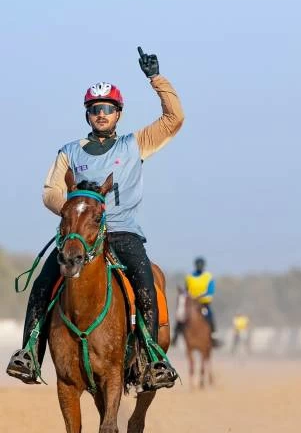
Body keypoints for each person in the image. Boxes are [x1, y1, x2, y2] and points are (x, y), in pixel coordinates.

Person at [6, 47, 183, 390]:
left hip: (122, 234)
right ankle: (29, 353)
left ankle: (151, 358)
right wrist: (78, 211)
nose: (101, 114)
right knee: (42, 284)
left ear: (118, 113)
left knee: (145, 282)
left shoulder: (136, 145)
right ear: (88, 114)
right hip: (79, 235)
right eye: (95, 109)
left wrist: (156, 80)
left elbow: (174, 119)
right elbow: (50, 191)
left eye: (108, 109)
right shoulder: (69, 152)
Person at [184, 257, 219, 344]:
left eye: (201, 265)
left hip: (203, 303)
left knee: (209, 315)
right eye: (198, 265)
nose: (199, 266)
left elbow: (210, 291)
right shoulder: (189, 277)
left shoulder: (208, 276)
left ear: (203, 266)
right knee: (181, 315)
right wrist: (189, 296)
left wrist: (200, 296)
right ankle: (176, 335)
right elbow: (186, 289)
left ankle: (213, 335)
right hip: (192, 303)